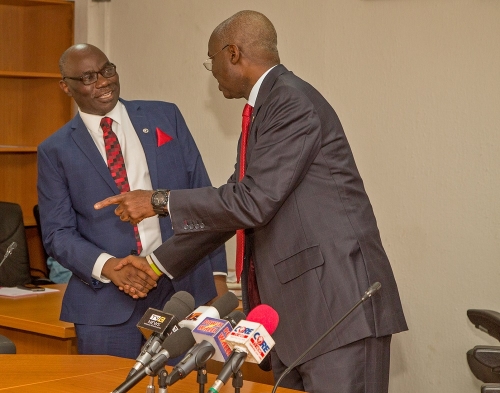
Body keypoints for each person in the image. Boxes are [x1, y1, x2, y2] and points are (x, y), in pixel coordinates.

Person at [95, 10, 408, 393]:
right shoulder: (266, 110)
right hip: (299, 317)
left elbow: (252, 201)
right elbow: (233, 209)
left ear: (233, 53)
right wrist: (155, 266)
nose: (211, 73)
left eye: (212, 62)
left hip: (335, 311)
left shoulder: (291, 103)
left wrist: (157, 200)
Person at [37, 43, 228, 359]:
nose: (103, 82)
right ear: (65, 87)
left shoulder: (165, 117)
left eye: (107, 70)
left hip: (183, 290)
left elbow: (204, 200)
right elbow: (57, 234)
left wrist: (217, 278)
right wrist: (110, 267)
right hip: (105, 305)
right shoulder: (55, 150)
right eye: (88, 77)